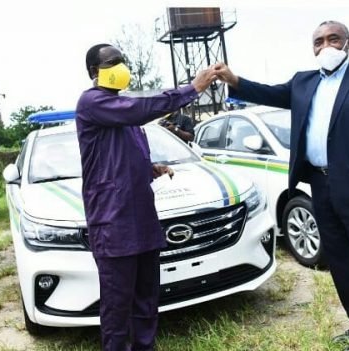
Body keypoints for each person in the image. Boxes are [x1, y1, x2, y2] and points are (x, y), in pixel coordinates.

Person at [214, 21, 349, 351]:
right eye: (319, 41)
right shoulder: (303, 82)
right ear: (313, 47)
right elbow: (269, 93)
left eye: (334, 39)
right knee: (340, 261)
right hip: (320, 184)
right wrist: (235, 81)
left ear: (348, 43)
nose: (326, 46)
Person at [76, 43, 215, 351]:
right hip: (114, 224)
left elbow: (117, 157)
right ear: (93, 73)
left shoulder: (123, 112)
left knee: (146, 300)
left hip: (143, 220)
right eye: (112, 62)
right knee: (117, 306)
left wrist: (151, 167)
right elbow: (141, 108)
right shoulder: (92, 102)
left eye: (121, 60)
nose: (120, 67)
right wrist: (192, 88)